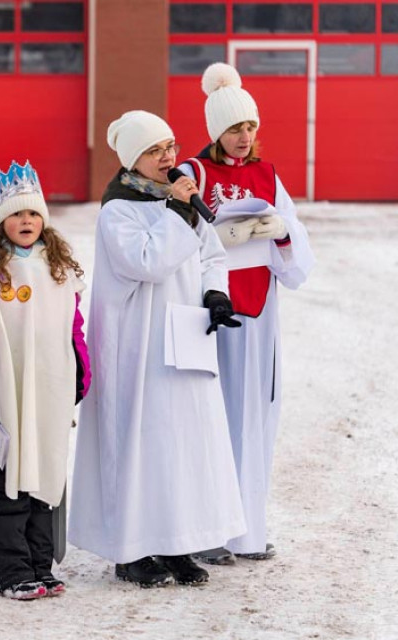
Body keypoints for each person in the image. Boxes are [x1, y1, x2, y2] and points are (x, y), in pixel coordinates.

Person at [68, 111, 247, 588]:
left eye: (170, 145)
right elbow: (146, 262)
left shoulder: (178, 204)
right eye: (155, 150)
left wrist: (215, 293)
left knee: (184, 444)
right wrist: (179, 213)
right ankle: (133, 549)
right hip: (139, 344)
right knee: (143, 442)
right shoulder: (118, 209)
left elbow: (211, 253)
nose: (169, 156)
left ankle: (177, 543)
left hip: (184, 334)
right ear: (134, 160)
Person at [179, 63, 315, 565]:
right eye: (235, 128)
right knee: (210, 418)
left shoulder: (268, 174)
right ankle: (207, 530)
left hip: (258, 315)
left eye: (251, 126)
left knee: (254, 418)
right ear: (217, 131)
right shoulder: (192, 173)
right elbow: (177, 236)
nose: (244, 136)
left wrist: (281, 231)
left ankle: (247, 530)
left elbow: (298, 256)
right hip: (209, 314)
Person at [0, 160, 90, 600]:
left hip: (50, 390)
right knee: (9, 480)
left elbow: (72, 327)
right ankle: (9, 570)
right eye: (15, 214)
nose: (25, 221)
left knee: (45, 476)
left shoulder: (60, 268)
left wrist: (81, 370)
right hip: (4, 394)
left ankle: (39, 564)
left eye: (32, 213)